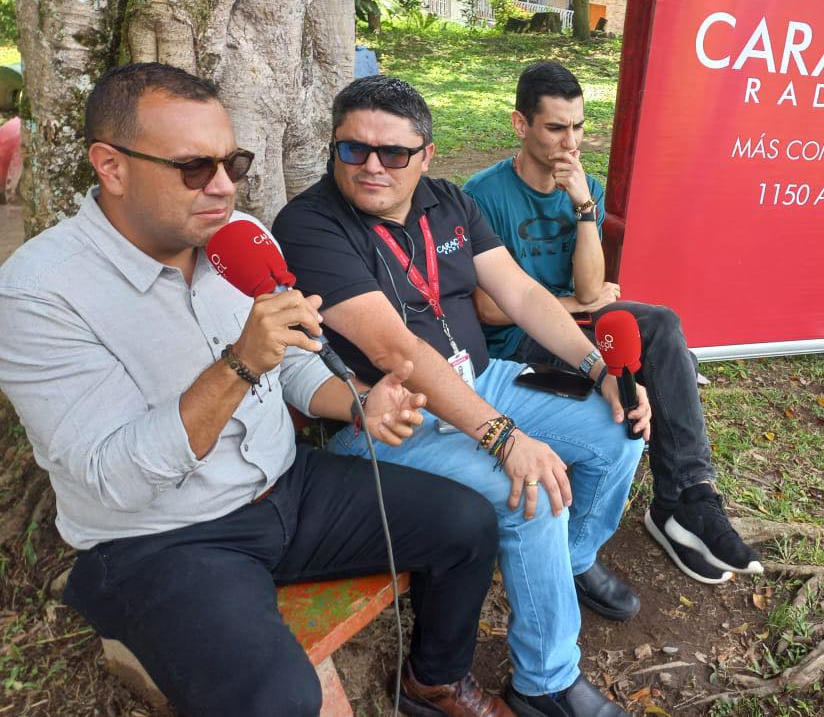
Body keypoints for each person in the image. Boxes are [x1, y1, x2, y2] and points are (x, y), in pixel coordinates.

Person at [0, 63, 509, 717]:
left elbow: (289, 362)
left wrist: (358, 400)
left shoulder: (240, 238)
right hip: (163, 536)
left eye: (231, 163)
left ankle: (433, 680)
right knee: (280, 698)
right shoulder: (39, 293)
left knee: (468, 522)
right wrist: (238, 364)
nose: (222, 187)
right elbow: (112, 478)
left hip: (285, 484)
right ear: (111, 166)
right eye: (193, 167)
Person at [272, 76, 649, 717]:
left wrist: (598, 369)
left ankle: (568, 562)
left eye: (394, 152)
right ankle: (546, 683)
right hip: (393, 416)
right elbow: (396, 350)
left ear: (426, 155)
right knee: (530, 492)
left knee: (617, 430)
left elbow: (522, 294)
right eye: (353, 149)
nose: (371, 166)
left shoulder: (447, 201)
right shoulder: (311, 225)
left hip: (480, 377)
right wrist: (504, 437)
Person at [463, 61, 762, 586]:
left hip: (573, 329)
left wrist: (583, 207)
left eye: (578, 126)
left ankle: (688, 497)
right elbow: (490, 309)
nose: (570, 142)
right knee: (650, 371)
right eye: (556, 127)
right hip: (518, 346)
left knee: (662, 328)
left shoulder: (587, 187)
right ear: (520, 124)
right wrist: (573, 305)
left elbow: (589, 289)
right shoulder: (482, 195)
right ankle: (617, 531)